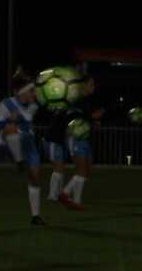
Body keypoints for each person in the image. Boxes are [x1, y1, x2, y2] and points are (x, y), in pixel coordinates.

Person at [0, 70, 48, 225]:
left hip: (28, 144)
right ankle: (19, 161)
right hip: (10, 144)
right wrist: (9, 120)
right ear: (20, 92)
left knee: (35, 178)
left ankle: (35, 216)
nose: (34, 93)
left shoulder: (33, 106)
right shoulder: (7, 104)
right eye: (31, 90)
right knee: (11, 128)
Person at [43, 72, 101, 211]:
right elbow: (72, 118)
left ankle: (69, 197)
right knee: (80, 170)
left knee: (86, 170)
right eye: (91, 84)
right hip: (75, 139)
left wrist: (92, 120)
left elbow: (83, 118)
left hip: (84, 138)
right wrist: (91, 117)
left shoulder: (86, 100)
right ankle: (69, 197)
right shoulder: (74, 99)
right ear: (84, 85)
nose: (93, 87)